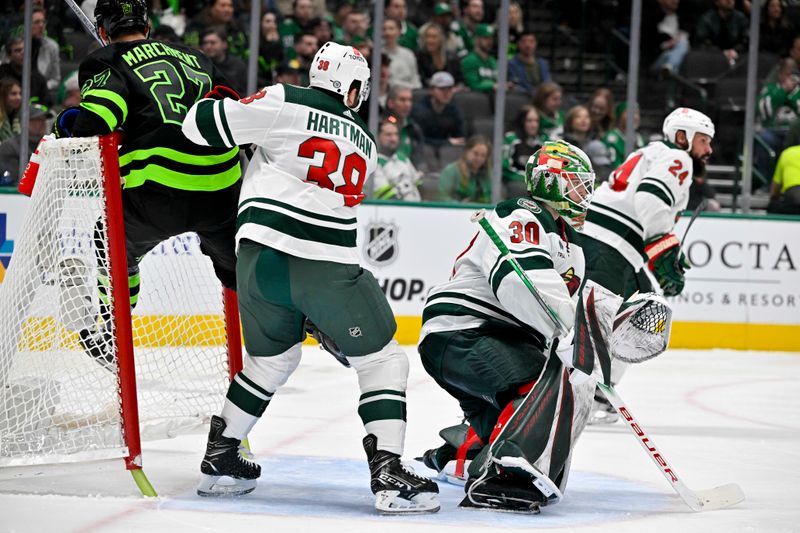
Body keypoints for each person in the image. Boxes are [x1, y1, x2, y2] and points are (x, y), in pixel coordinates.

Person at [181, 41, 440, 514]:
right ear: (353, 88)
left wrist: (216, 101)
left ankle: (221, 459)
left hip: (257, 262)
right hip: (323, 263)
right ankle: (387, 470)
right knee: (384, 360)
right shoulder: (366, 142)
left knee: (269, 364)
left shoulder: (282, 99)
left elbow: (197, 127)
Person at [56, 0, 242, 370]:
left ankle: (112, 332)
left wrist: (68, 127)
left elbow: (98, 121)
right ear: (148, 25)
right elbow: (233, 107)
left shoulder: (106, 60)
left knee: (110, 240)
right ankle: (308, 318)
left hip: (156, 194)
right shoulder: (197, 57)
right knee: (243, 271)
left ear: (105, 30)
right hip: (221, 192)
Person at [419, 140, 597, 512]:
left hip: (489, 338)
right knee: (547, 385)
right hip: (465, 331)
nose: (586, 193)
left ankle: (460, 454)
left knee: (546, 402)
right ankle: (500, 477)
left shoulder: (573, 246)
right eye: (578, 183)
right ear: (551, 181)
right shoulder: (522, 214)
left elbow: (561, 312)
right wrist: (571, 339)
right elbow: (519, 284)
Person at [581, 107, 715, 423]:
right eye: (704, 141)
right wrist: (665, 254)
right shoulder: (678, 158)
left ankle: (597, 390)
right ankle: (589, 393)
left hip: (605, 244)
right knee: (626, 319)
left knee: (635, 312)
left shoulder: (653, 152)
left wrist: (664, 251)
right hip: (609, 248)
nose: (709, 150)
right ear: (682, 137)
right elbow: (651, 200)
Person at [411, 71, 465, 149]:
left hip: (446, 151)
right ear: (431, 90)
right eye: (442, 89)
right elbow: (417, 139)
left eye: (449, 89)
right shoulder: (419, 111)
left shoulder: (455, 110)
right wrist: (446, 142)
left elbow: (459, 139)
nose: (446, 93)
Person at [0, 103, 50, 185]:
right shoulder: (10, 146)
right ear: (25, 122)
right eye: (38, 120)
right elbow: (16, 178)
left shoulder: (49, 145)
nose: (43, 123)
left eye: (44, 119)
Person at [373, 118, 422, 201]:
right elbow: (384, 196)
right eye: (388, 135)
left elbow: (418, 185)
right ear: (377, 137)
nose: (394, 139)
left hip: (417, 209)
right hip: (392, 211)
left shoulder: (403, 158)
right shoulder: (373, 163)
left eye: (396, 134)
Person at [502, 105, 544, 194]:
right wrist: (527, 178)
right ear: (522, 122)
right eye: (529, 121)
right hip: (515, 183)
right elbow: (505, 168)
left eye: (536, 121)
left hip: (535, 183)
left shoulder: (543, 142)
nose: (534, 125)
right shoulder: (511, 139)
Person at [438, 134, 491, 202]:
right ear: (466, 151)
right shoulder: (450, 171)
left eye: (483, 155)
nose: (479, 159)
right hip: (458, 211)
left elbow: (494, 197)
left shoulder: (488, 174)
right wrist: (461, 205)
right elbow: (442, 198)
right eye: (475, 154)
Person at [694, 0, 749, 65]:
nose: (730, 0)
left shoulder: (740, 18)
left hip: (737, 54)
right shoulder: (707, 19)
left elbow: (747, 40)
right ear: (716, 2)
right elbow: (702, 41)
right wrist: (721, 52)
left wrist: (736, 50)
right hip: (712, 58)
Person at [0, 37, 51, 107]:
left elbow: (47, 106)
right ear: (9, 56)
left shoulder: (38, 79)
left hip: (32, 116)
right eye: (18, 50)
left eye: (26, 50)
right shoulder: (1, 74)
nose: (23, 53)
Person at [384, 84, 423, 163]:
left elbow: (419, 158)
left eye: (410, 100)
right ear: (390, 103)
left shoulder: (414, 128)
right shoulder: (380, 126)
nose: (407, 104)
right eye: (402, 100)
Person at [201, 28, 248, 94]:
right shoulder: (200, 65)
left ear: (224, 44)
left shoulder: (238, 65)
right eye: (205, 43)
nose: (208, 46)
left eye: (213, 43)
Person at [415, 22, 462, 87]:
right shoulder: (419, 57)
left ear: (441, 39)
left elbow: (459, 79)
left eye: (434, 37)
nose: (430, 40)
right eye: (427, 37)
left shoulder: (452, 57)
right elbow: (421, 80)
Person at [507, 29, 550, 96]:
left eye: (531, 41)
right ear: (518, 44)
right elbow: (513, 85)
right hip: (521, 99)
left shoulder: (543, 63)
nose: (527, 45)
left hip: (541, 99)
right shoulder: (511, 64)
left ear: (536, 43)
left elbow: (548, 84)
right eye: (524, 41)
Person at [601, 102, 645, 170]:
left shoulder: (640, 139)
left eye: (637, 113)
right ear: (619, 115)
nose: (634, 117)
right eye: (629, 112)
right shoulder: (611, 138)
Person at [383, 17, 421, 89]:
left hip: (407, 92)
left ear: (399, 31)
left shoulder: (408, 54)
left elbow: (414, 78)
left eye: (391, 29)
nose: (387, 32)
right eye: (384, 29)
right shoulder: (377, 54)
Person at [460, 23, 497, 94]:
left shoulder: (494, 61)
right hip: (474, 101)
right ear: (476, 39)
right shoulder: (470, 60)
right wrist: (493, 85)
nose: (490, 41)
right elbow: (473, 85)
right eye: (486, 38)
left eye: (491, 38)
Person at [31, 6, 61, 91]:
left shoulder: (52, 47)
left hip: (41, 93)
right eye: (36, 22)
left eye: (43, 22)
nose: (41, 25)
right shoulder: (16, 46)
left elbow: (55, 79)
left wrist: (43, 87)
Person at [767, 144, 800, 214]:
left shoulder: (787, 153)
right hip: (794, 196)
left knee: (773, 207)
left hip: (793, 196)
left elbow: (774, 191)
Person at [0, 78, 22, 143]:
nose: (19, 97)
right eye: (13, 94)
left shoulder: (17, 115)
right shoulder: (1, 120)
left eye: (20, 93)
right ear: (3, 96)